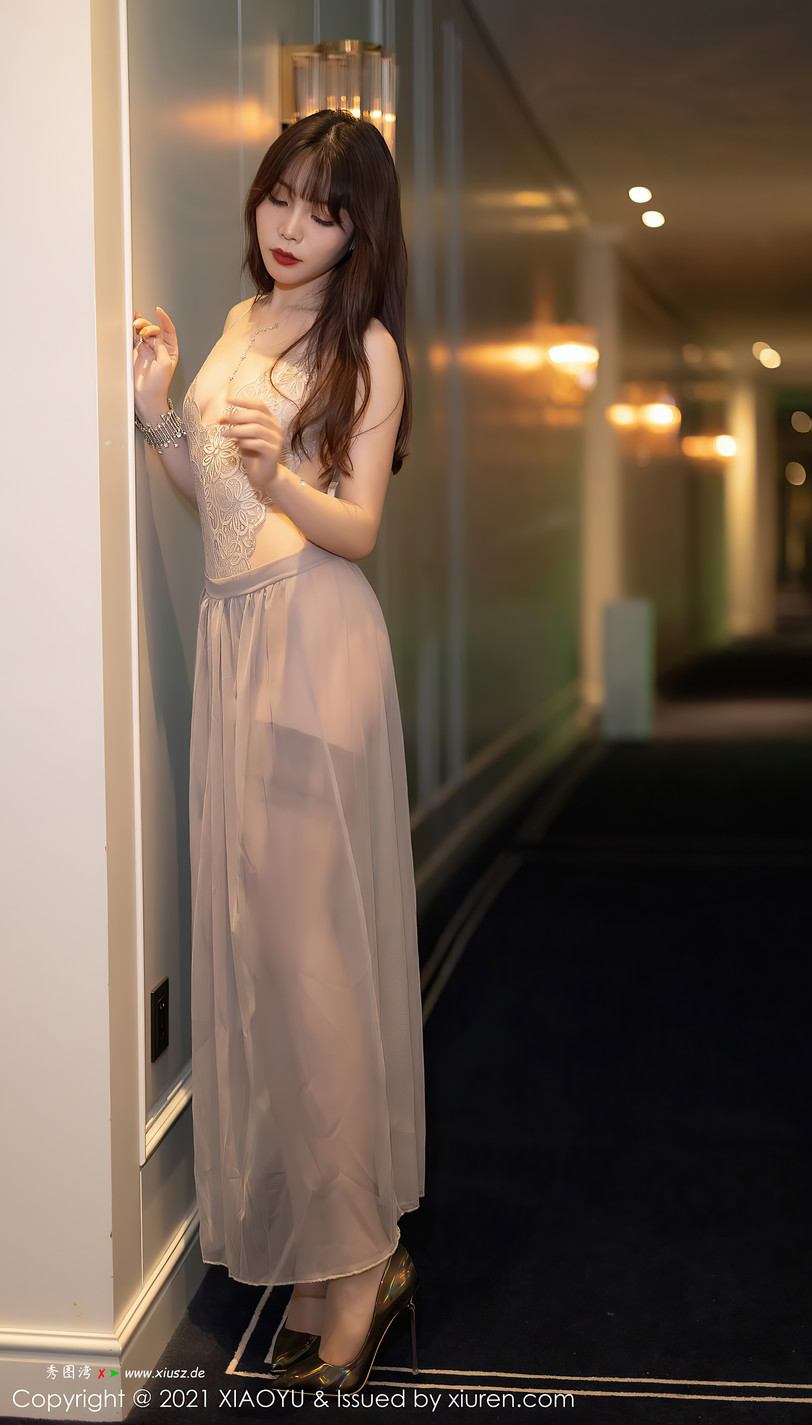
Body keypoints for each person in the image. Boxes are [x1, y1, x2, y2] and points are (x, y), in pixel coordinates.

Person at [131, 110, 425, 1395]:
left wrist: (278, 471)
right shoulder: (242, 322)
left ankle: (360, 1262)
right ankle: (323, 1238)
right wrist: (160, 421)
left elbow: (352, 528)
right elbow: (219, 495)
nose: (291, 227)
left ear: (360, 232)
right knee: (261, 950)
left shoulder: (367, 349)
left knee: (311, 965)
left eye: (324, 210)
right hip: (235, 633)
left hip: (313, 636)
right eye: (279, 198)